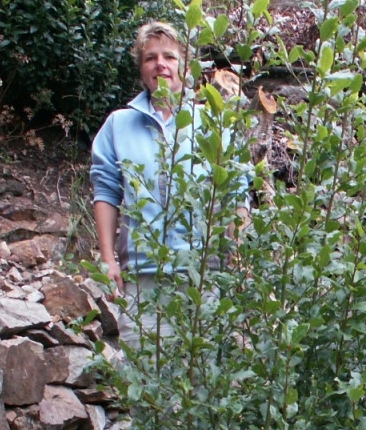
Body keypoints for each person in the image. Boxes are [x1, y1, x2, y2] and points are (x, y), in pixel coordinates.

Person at [90, 20, 250, 347]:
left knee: (204, 372)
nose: (160, 64)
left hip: (204, 275)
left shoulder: (215, 123)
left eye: (169, 57)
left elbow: (236, 193)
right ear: (141, 68)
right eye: (150, 58)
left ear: (185, 66)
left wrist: (237, 258)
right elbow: (106, 192)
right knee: (144, 370)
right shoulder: (118, 125)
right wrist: (107, 258)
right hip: (143, 276)